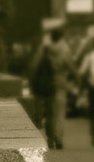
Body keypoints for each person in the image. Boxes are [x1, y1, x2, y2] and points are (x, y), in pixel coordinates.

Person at [29, 21, 77, 150]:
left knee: (49, 113)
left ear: (51, 38)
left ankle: (50, 139)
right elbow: (71, 68)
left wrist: (33, 81)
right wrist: (75, 79)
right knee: (59, 113)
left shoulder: (44, 49)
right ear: (60, 37)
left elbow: (34, 66)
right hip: (60, 84)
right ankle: (59, 138)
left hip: (47, 84)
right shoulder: (65, 50)